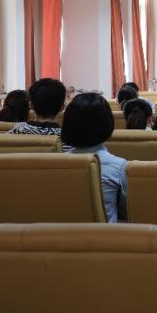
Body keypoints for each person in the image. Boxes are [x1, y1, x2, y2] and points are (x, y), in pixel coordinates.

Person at [61, 93, 128, 223]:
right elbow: (127, 211)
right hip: (104, 234)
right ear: (107, 124)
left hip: (61, 234)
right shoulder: (119, 166)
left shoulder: (55, 164)